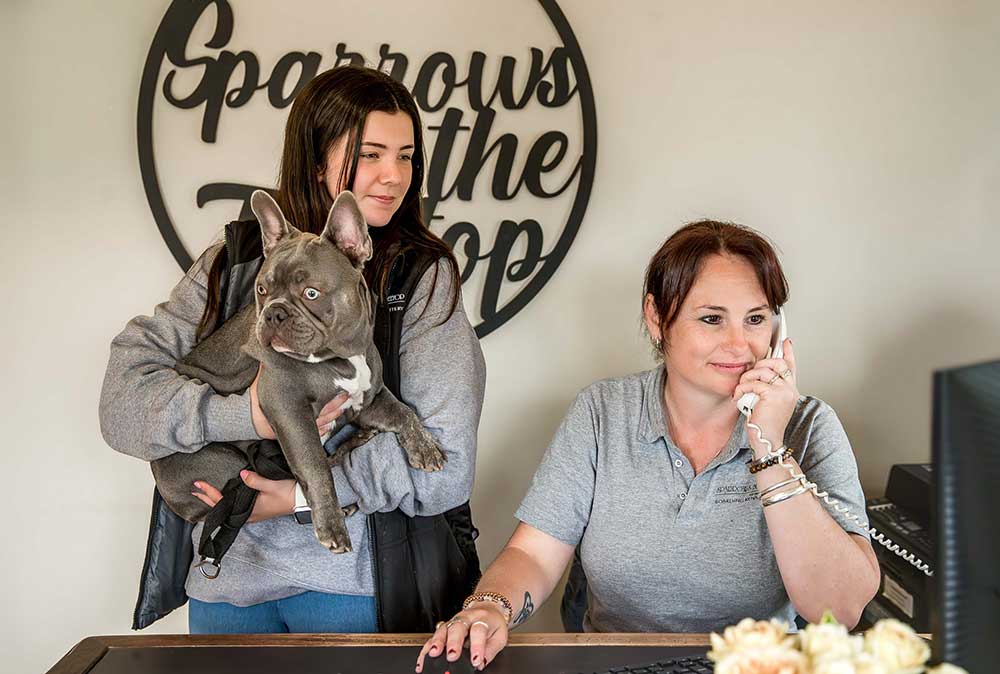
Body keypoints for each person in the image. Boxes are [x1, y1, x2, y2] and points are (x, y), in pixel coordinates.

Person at [100, 65, 486, 634]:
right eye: (370, 154)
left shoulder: (420, 276)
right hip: (226, 590)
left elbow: (445, 467)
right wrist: (245, 412)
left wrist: (302, 496)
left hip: (351, 590)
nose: (392, 176)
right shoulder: (233, 262)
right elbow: (120, 406)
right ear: (316, 160)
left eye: (406, 156)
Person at [416, 221, 880, 672]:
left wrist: (770, 448)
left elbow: (837, 611)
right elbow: (533, 554)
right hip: (618, 665)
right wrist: (489, 607)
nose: (740, 345)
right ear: (658, 318)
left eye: (756, 319)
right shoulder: (602, 412)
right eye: (712, 319)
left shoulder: (811, 426)